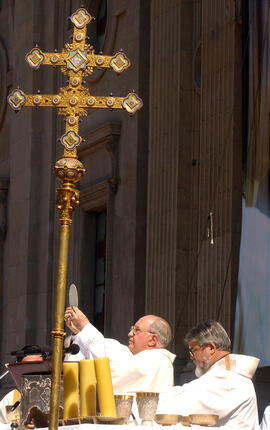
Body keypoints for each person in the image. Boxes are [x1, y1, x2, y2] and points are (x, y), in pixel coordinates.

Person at [157, 321, 260, 429]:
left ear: (211, 348)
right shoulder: (229, 375)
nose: (192, 357)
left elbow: (182, 403)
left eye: (194, 350)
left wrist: (144, 402)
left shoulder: (227, 378)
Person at [64, 306, 176, 393]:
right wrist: (80, 333)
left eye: (136, 330)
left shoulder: (158, 360)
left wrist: (85, 326)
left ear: (152, 340)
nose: (130, 334)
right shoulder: (142, 358)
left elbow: (114, 366)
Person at [0, 346, 44, 427]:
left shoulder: (56, 394)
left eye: (38, 365)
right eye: (29, 366)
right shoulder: (12, 397)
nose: (34, 371)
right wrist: (16, 426)